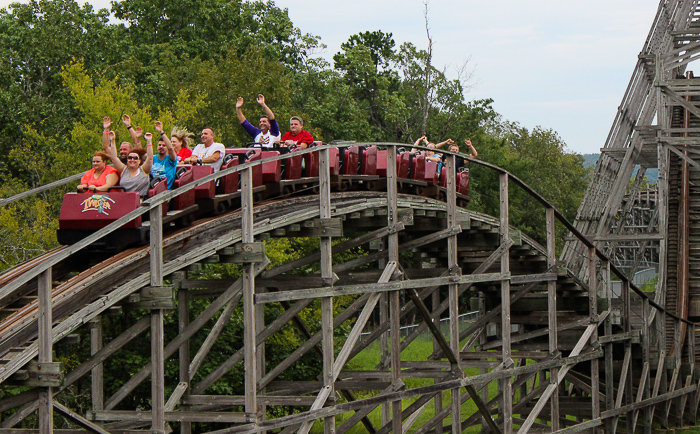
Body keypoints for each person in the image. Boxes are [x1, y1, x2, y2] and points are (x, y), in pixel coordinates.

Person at [106, 131, 153, 199]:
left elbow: (150, 158)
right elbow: (114, 158)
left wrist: (149, 141)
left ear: (139, 161)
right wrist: (112, 141)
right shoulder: (124, 169)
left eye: (135, 158)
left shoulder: (144, 170)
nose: (132, 160)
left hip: (140, 201)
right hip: (125, 200)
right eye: (130, 158)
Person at [151, 121, 178, 189]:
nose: (161, 147)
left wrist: (161, 132)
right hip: (152, 188)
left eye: (164, 145)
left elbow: (171, 148)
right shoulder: (153, 158)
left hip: (165, 191)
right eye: (159, 145)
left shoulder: (170, 159)